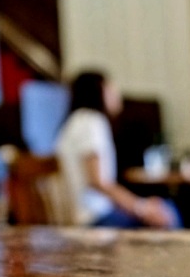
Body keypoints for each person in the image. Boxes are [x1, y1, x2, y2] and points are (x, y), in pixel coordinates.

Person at [55, 71, 179, 229]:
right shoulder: (90, 122)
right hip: (92, 219)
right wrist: (141, 207)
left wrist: (141, 205)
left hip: (87, 215)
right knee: (168, 213)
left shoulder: (76, 121)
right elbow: (98, 182)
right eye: (110, 88)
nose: (116, 93)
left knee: (162, 209)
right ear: (98, 92)